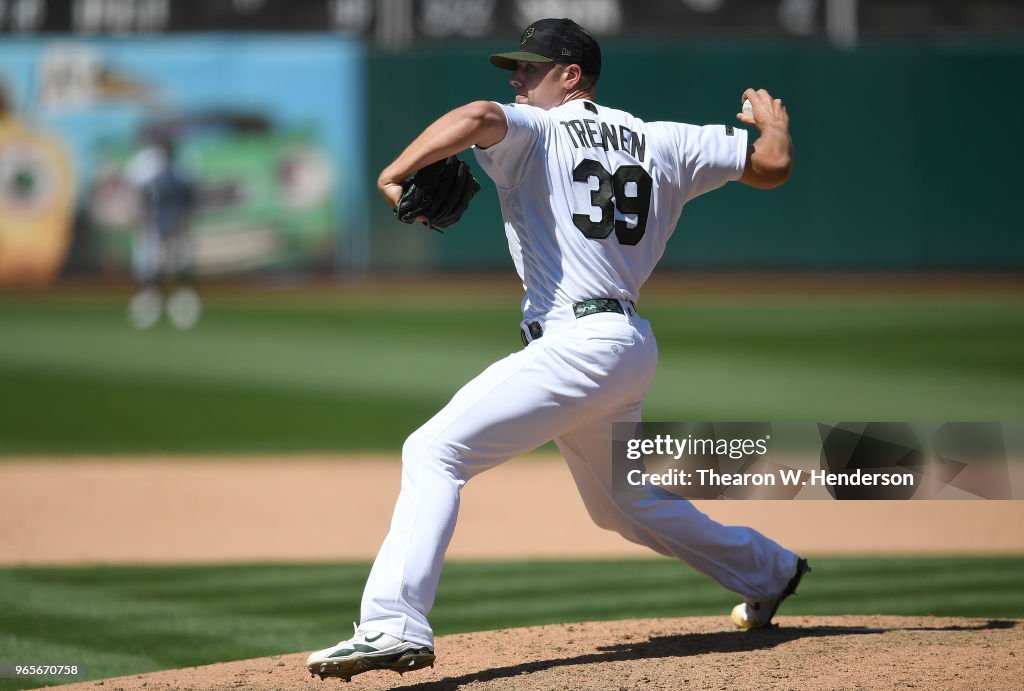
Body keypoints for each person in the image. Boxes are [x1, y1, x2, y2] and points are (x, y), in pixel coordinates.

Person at [307, 17, 808, 682]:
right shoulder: (665, 140)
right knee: (622, 503)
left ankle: (393, 624)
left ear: (571, 77)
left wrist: (396, 172)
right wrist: (772, 122)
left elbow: (477, 113)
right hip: (626, 344)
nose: (516, 80)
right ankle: (768, 568)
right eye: (515, 67)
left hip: (578, 343)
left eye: (530, 68)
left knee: (434, 450)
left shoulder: (538, 127)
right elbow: (772, 165)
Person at [125, 137, 201, 330]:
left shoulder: (181, 173)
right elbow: (143, 202)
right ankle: (150, 309)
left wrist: (180, 222)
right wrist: (144, 220)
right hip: (154, 227)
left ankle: (182, 309)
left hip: (176, 227)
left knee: (180, 268)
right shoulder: (153, 175)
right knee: (150, 271)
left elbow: (189, 202)